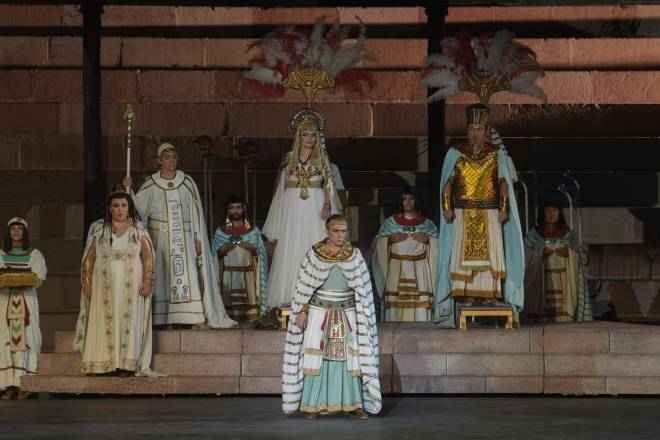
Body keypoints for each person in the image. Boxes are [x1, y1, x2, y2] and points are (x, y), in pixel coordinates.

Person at [123, 143, 237, 329]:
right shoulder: (151, 184)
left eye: (174, 157)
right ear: (159, 160)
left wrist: (197, 237)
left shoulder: (187, 182)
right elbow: (137, 211)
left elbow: (196, 214)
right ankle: (162, 318)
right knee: (162, 276)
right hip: (159, 239)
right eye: (167, 158)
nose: (171, 161)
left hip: (184, 238)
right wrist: (129, 192)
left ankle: (189, 316)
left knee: (188, 275)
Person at [282, 214, 381, 419]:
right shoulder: (314, 254)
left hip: (347, 313)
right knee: (317, 358)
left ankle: (353, 406)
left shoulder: (353, 255)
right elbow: (303, 287)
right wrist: (302, 311)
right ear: (327, 231)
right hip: (320, 313)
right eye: (336, 231)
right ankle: (313, 406)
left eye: (343, 231)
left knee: (350, 359)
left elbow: (363, 289)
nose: (340, 235)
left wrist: (364, 316)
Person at [435, 104, 525, 327]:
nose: (475, 133)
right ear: (467, 130)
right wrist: (446, 206)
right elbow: (449, 183)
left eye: (479, 129)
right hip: (463, 213)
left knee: (491, 256)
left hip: (489, 213)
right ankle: (467, 293)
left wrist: (504, 207)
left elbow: (503, 183)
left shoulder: (496, 154)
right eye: (472, 128)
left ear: (485, 131)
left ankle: (489, 294)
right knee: (463, 257)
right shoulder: (456, 153)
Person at [257, 109, 342, 328]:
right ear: (299, 136)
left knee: (313, 243)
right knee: (291, 246)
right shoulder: (288, 159)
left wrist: (327, 205)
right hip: (293, 205)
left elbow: (328, 185)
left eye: (313, 135)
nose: (309, 139)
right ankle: (291, 296)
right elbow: (280, 187)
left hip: (315, 206)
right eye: (305, 135)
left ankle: (317, 292)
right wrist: (280, 211)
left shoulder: (322, 159)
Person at [73, 189, 159, 376]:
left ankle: (125, 365)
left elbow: (148, 257)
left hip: (131, 287)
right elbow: (89, 258)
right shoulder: (100, 230)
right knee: (103, 323)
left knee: (128, 322)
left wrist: (148, 279)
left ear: (129, 207)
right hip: (103, 287)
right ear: (110, 208)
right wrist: (86, 283)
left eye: (123, 205)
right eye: (116, 206)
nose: (120, 209)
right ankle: (103, 363)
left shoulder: (138, 230)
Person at [370, 187, 438, 321]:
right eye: (404, 199)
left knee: (421, 309)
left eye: (411, 198)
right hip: (396, 267)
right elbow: (375, 245)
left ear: (416, 201)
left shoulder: (427, 224)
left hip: (420, 269)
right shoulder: (390, 223)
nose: (407, 202)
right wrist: (390, 240)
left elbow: (440, 247)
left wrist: (428, 240)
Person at [0, 218, 46, 399]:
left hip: (26, 302)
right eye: (13, 228)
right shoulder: (1, 253)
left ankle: (27, 384)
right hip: (4, 302)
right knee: (4, 340)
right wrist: (22, 276)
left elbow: (37, 278)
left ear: (25, 232)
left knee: (29, 339)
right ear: (8, 232)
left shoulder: (34, 254)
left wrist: (9, 276)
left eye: (20, 228)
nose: (16, 231)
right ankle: (9, 385)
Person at [524, 202, 592, 322]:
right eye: (548, 210)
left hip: (564, 286)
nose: (551, 213)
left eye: (554, 210)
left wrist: (569, 253)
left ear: (559, 212)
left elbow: (583, 258)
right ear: (542, 212)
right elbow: (523, 257)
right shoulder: (534, 234)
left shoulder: (568, 235)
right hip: (541, 286)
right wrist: (539, 253)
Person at [211, 195, 268, 322]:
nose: (235, 211)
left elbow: (261, 256)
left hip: (248, 276)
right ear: (228, 210)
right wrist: (223, 249)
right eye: (232, 208)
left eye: (238, 207)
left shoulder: (253, 231)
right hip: (227, 275)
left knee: (250, 315)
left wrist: (252, 249)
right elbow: (214, 257)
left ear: (244, 209)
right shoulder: (221, 232)